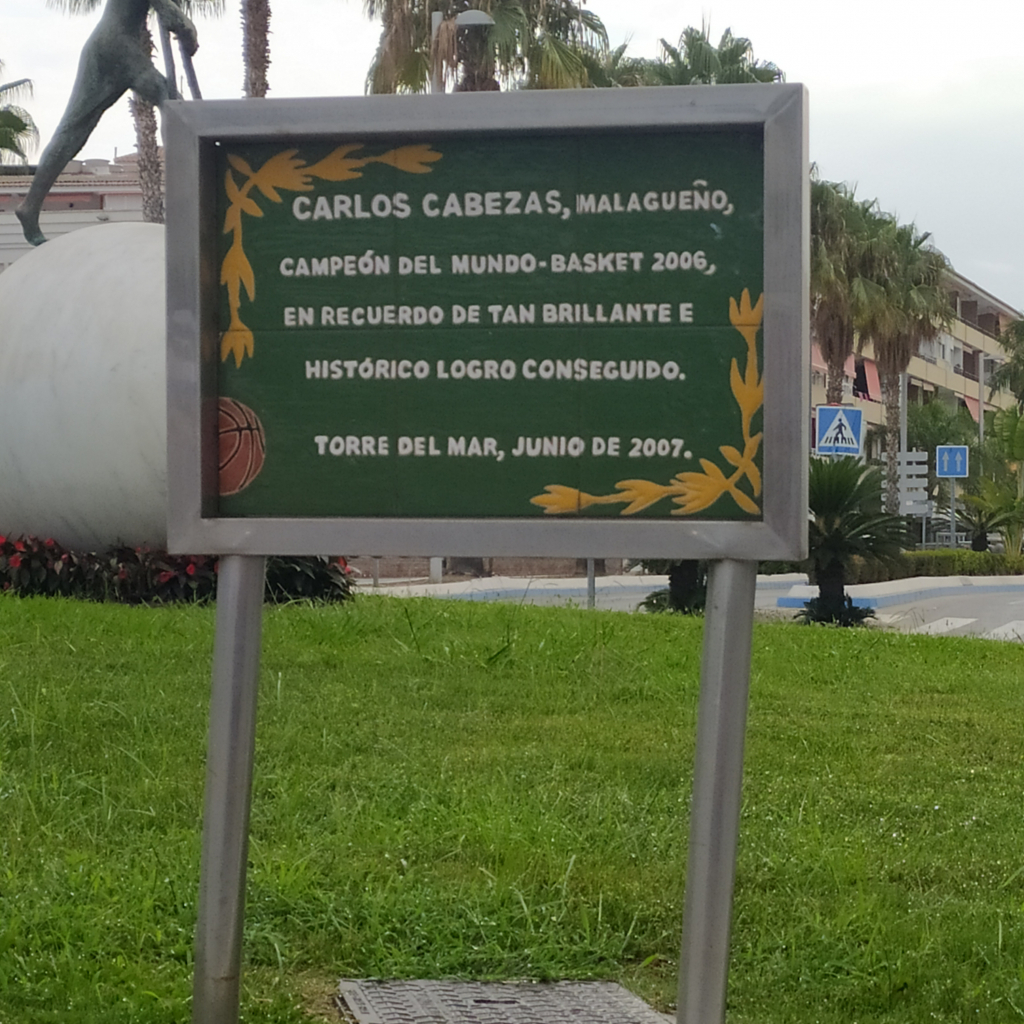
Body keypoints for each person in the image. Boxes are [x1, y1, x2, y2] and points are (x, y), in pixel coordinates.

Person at [16, 0, 197, 245]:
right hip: (117, 44)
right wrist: (188, 33)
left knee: (73, 130)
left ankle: (30, 205)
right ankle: (184, 183)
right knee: (170, 100)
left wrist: (182, 26)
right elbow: (170, 15)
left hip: (107, 43)